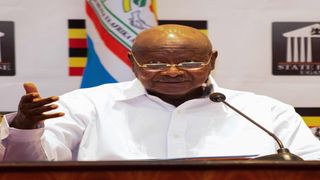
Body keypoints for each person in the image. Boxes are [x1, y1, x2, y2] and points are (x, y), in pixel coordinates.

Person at [1, 24, 320, 161]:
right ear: (132, 62)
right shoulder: (87, 105)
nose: (172, 71)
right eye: (154, 62)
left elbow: (310, 166)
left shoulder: (265, 113)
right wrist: (25, 131)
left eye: (191, 61)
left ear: (212, 62)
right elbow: (32, 170)